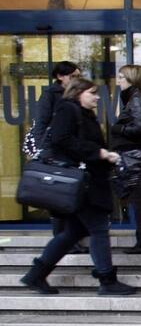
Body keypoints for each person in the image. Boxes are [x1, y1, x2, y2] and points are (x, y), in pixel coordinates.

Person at [19, 78, 135, 296]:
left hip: (86, 182)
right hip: (81, 184)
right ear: (78, 92)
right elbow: (62, 139)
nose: (97, 97)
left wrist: (104, 156)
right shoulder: (67, 110)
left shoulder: (83, 113)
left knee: (73, 232)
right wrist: (98, 153)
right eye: (92, 92)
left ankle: (36, 274)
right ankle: (107, 279)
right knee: (99, 229)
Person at [27, 61, 83, 250]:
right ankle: (63, 240)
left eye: (78, 76)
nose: (76, 79)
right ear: (60, 76)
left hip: (71, 153)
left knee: (70, 196)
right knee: (59, 198)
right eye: (72, 76)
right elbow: (41, 124)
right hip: (55, 153)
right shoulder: (51, 95)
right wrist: (44, 151)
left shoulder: (75, 95)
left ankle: (68, 239)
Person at [110, 64, 141, 253]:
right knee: (138, 200)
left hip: (132, 157)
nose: (118, 81)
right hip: (132, 156)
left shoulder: (136, 100)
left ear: (131, 79)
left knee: (138, 200)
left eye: (122, 77)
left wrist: (118, 129)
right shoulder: (133, 99)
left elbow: (140, 128)